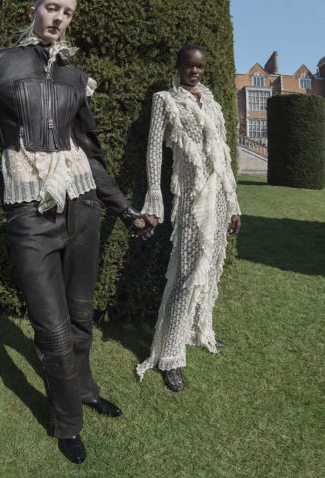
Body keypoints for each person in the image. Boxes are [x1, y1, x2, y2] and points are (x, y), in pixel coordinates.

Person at [0, 0, 153, 465]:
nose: (58, 18)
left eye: (67, 13)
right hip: (29, 214)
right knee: (52, 329)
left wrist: (126, 210)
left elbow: (90, 155)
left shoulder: (75, 77)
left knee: (80, 316)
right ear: (34, 10)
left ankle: (86, 389)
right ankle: (67, 422)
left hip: (82, 206)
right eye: (52, 8)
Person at [136, 44, 241, 392]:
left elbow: (223, 155)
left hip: (219, 196)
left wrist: (234, 203)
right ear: (179, 66)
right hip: (191, 198)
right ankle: (170, 356)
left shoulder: (211, 102)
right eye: (189, 65)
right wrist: (154, 194)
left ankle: (200, 331)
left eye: (200, 66)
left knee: (209, 269)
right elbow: (154, 149)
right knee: (185, 274)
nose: (194, 71)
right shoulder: (165, 100)